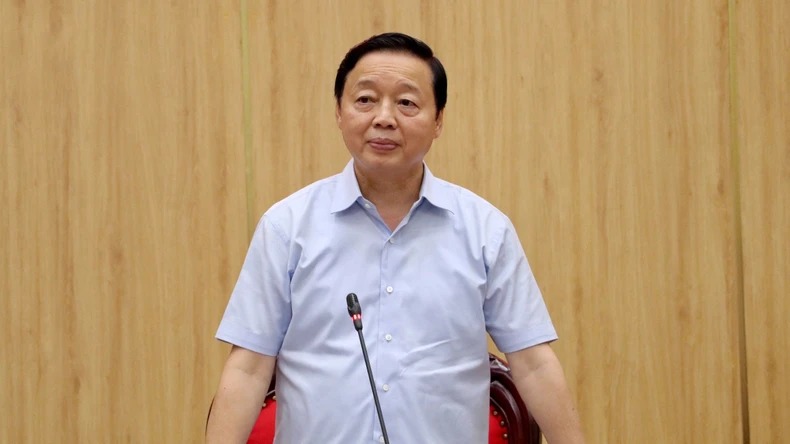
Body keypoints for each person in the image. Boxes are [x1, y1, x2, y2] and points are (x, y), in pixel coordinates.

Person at [206, 32, 584, 443]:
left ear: (438, 120)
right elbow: (248, 368)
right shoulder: (287, 227)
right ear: (339, 112)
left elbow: (533, 363)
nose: (384, 118)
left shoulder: (485, 231)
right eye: (365, 100)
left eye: (406, 103)